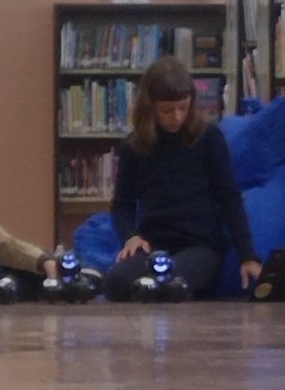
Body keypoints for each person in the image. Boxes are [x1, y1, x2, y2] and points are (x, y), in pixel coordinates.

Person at [104, 56, 262, 302]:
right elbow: (121, 206)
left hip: (201, 247)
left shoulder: (209, 138)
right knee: (115, 281)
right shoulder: (134, 146)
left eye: (183, 108)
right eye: (166, 110)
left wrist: (248, 255)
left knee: (173, 284)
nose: (176, 117)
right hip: (153, 245)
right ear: (150, 107)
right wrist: (131, 236)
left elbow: (230, 199)